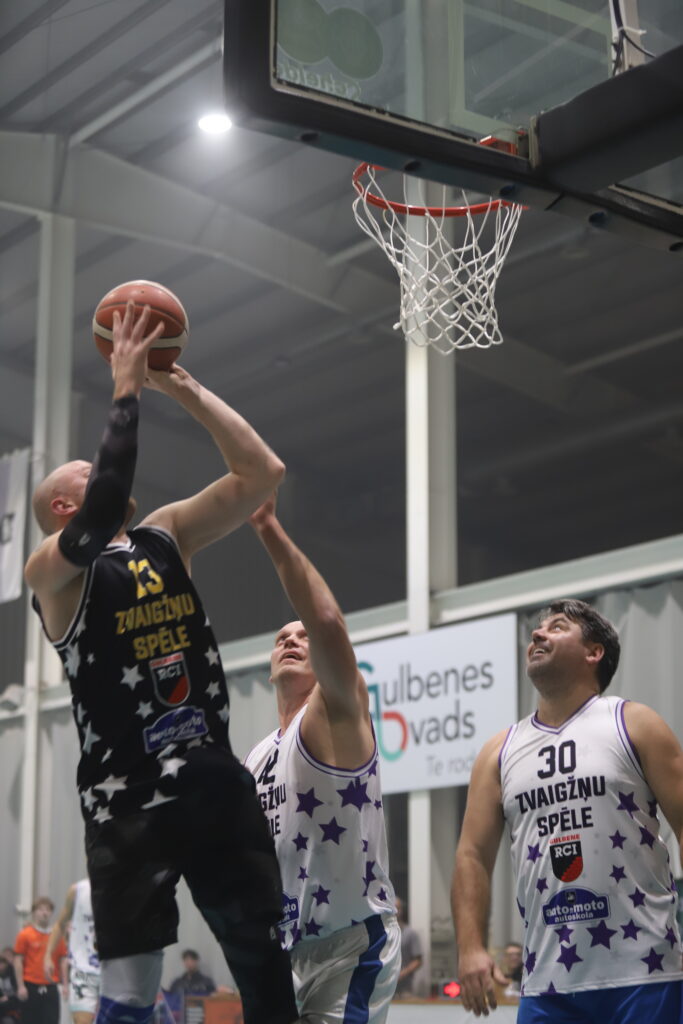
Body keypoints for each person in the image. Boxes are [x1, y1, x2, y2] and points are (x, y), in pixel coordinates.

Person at [24, 302, 297, 1024]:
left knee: (267, 974)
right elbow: (104, 503)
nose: (100, 469)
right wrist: (124, 387)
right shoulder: (51, 572)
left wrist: (182, 387)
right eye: (85, 471)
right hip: (126, 800)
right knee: (130, 998)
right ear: (62, 506)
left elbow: (261, 472)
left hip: (210, 778)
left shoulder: (164, 534)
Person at [452, 598, 683, 1022]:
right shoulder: (498, 752)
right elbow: (472, 855)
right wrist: (470, 947)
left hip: (646, 974)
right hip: (548, 984)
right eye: (538, 629)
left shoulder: (635, 723)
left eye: (557, 627)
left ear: (594, 652)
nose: (537, 634)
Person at [245, 493, 401, 1022]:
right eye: (281, 638)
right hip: (280, 950)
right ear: (269, 667)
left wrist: (269, 530)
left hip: (348, 944)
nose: (291, 640)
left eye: (302, 636)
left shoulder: (334, 710)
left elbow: (328, 622)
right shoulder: (258, 756)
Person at [45, 879, 99, 1024]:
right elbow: (60, 924)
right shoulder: (77, 890)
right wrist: (48, 955)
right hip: (83, 972)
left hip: (113, 972)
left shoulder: (124, 888)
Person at [14, 899, 67, 1024]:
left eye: (48, 910)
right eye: (41, 909)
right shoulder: (25, 934)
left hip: (51, 985)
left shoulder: (57, 936)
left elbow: (63, 960)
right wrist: (20, 986)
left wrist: (65, 984)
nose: (45, 913)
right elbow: (18, 960)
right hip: (31, 985)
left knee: (52, 1020)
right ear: (34, 912)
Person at [393, 897, 422, 998]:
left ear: (401, 910)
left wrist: (401, 974)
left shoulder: (410, 934)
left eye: (397, 908)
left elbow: (418, 961)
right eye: (392, 908)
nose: (395, 911)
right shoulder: (381, 934)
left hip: (405, 989)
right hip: (382, 989)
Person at [0, 950, 20, 1024]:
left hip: (14, 1000)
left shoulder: (13, 973)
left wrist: (8, 998)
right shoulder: (1, 976)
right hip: (4, 1001)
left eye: (1, 963)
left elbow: (18, 991)